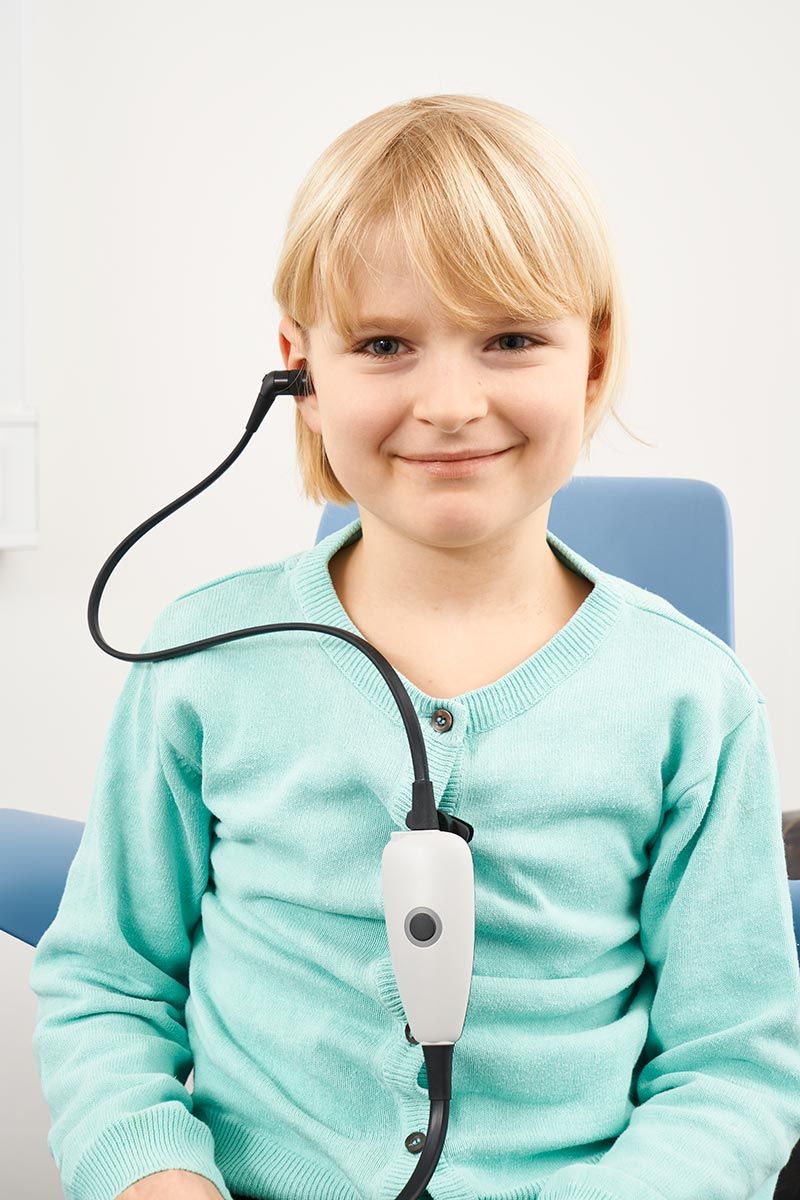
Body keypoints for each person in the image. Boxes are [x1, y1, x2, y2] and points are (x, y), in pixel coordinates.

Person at [29, 93, 800, 1200]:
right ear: (300, 370)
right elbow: (107, 982)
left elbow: (732, 1069)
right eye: (384, 344)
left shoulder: (690, 699)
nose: (447, 403)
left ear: (591, 363)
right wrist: (153, 1175)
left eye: (509, 339)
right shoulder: (205, 657)